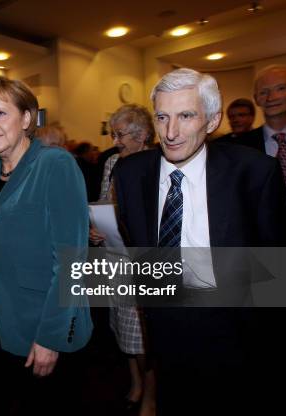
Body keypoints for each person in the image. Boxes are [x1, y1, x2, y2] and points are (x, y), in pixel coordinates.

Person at [112, 68, 286, 415]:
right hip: (164, 331)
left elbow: (278, 269)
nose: (171, 132)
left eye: (186, 116)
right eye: (162, 117)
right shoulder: (131, 174)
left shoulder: (254, 172)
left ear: (211, 121)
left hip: (235, 334)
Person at [0, 75, 93, 414]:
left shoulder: (55, 165)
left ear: (26, 119)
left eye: (0, 113)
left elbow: (72, 261)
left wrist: (51, 336)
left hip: (39, 328)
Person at [90, 104, 156, 416]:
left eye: (121, 134)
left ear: (143, 135)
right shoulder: (113, 162)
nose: (115, 140)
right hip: (114, 255)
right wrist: (95, 228)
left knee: (145, 333)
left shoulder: (159, 161)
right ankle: (136, 383)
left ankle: (151, 395)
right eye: (113, 133)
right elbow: (105, 200)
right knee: (122, 328)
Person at [233, 65, 286, 244]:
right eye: (264, 92)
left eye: (281, 88)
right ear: (256, 99)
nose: (271, 98)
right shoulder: (239, 149)